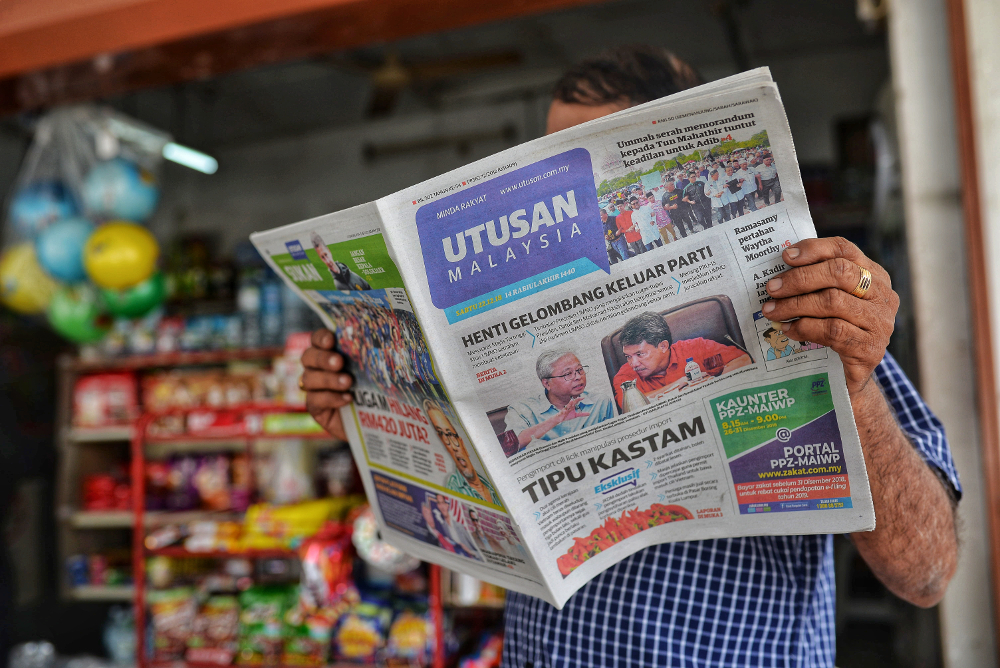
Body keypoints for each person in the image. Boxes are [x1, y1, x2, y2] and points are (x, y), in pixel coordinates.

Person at [300, 46, 960, 667]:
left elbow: (927, 572)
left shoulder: (805, 314)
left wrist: (851, 387)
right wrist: (378, 415)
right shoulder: (578, 369)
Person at [611, 312, 752, 409]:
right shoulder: (625, 377)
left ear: (663, 346)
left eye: (640, 354)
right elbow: (629, 406)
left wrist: (708, 381)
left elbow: (744, 360)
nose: (633, 364)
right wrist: (679, 384)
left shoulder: (697, 346)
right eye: (628, 356)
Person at [504, 350, 616, 449]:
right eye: (568, 374)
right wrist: (556, 420)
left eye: (579, 370)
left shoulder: (600, 402)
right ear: (547, 383)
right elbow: (511, 446)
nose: (578, 377)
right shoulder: (521, 410)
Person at [423, 399, 502, 505]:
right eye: (443, 437)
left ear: (462, 443)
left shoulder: (489, 482)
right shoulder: (454, 490)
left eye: (450, 434)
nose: (453, 448)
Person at [421, 493, 479, 559]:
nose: (442, 506)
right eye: (439, 503)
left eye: (443, 503)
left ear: (448, 504)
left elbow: (478, 551)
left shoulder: (460, 525)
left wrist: (471, 552)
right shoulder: (444, 527)